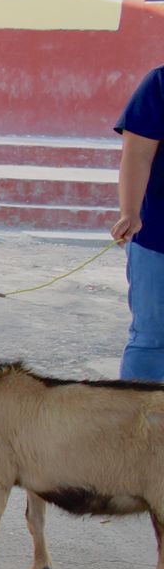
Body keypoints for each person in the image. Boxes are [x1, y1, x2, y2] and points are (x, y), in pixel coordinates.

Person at [111, 65, 164, 380]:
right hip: (158, 237)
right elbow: (138, 154)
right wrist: (129, 212)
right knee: (152, 339)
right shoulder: (159, 83)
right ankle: (137, 412)